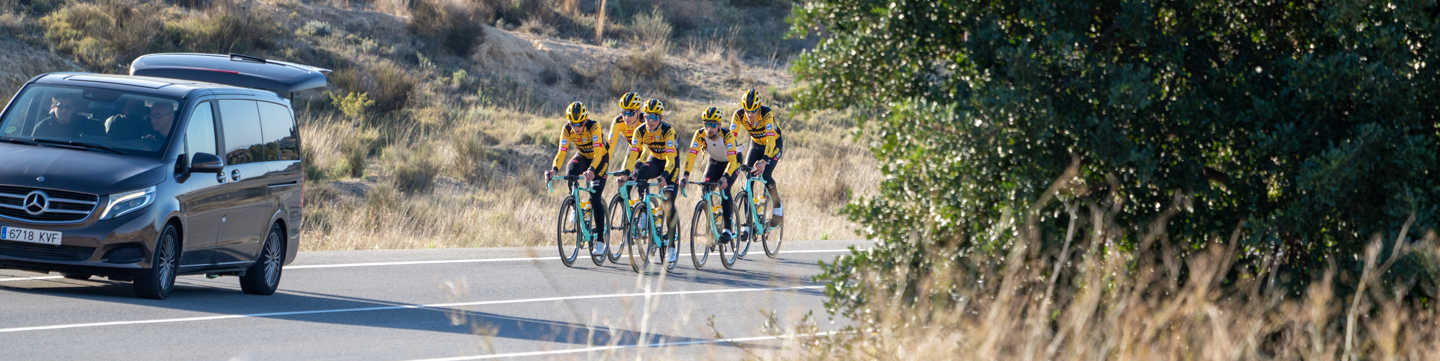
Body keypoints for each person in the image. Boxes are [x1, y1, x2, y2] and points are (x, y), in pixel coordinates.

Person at [543, 102, 611, 256]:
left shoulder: (594, 127)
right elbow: (561, 152)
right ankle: (575, 205)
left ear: (585, 120)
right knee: (571, 169)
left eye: (579, 123)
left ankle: (600, 241)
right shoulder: (567, 129)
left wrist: (592, 169)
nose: (576, 127)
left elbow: (599, 153)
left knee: (594, 198)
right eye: (573, 123)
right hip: (583, 156)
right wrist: (553, 170)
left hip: (599, 159)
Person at [617, 99, 680, 263]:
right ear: (643, 117)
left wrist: (665, 177)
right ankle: (645, 210)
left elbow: (671, 160)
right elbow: (633, 156)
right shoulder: (639, 131)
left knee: (668, 204)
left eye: (654, 117)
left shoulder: (668, 131)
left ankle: (671, 247)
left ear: (661, 118)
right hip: (654, 160)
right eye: (647, 117)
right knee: (642, 172)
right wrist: (625, 174)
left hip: (670, 164)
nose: (650, 121)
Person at [679, 107, 741, 245]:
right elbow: (691, 155)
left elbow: (732, 162)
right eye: (706, 124)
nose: (709, 128)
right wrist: (686, 175)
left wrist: (725, 177)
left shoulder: (727, 135)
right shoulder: (699, 135)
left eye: (713, 125)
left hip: (732, 162)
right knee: (706, 188)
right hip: (714, 161)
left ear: (719, 125)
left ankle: (727, 229)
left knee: (724, 189)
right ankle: (712, 224)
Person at [729, 89, 785, 230]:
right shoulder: (738, 115)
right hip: (756, 144)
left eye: (753, 111)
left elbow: (771, 141)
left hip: (773, 144)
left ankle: (777, 205)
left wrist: (764, 161)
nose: (750, 114)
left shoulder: (766, 114)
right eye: (747, 110)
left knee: (765, 174)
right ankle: (747, 224)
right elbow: (730, 138)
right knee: (748, 178)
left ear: (759, 107)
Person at [32, 93, 104, 139]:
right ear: (53, 108)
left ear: (73, 109)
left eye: (68, 107)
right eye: (60, 107)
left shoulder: (87, 126)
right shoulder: (42, 127)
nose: (64, 110)